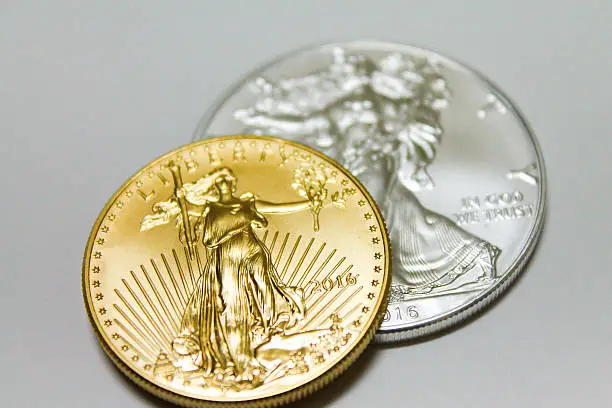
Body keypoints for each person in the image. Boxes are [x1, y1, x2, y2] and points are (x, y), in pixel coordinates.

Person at [234, 49, 500, 296]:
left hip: (376, 162)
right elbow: (312, 122)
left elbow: (405, 129)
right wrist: (265, 122)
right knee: (400, 219)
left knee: (373, 215)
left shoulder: (395, 111)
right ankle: (368, 276)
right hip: (348, 169)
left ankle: (381, 281)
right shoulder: (352, 106)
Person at [142, 167, 317, 384]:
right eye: (221, 181)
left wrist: (309, 204)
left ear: (233, 184)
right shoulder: (210, 208)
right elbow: (187, 208)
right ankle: (239, 354)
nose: (225, 184)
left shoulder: (247, 204)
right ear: (216, 186)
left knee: (264, 286)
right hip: (227, 258)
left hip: (252, 250)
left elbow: (279, 209)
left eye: (228, 180)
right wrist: (180, 199)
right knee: (232, 304)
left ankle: (267, 327)